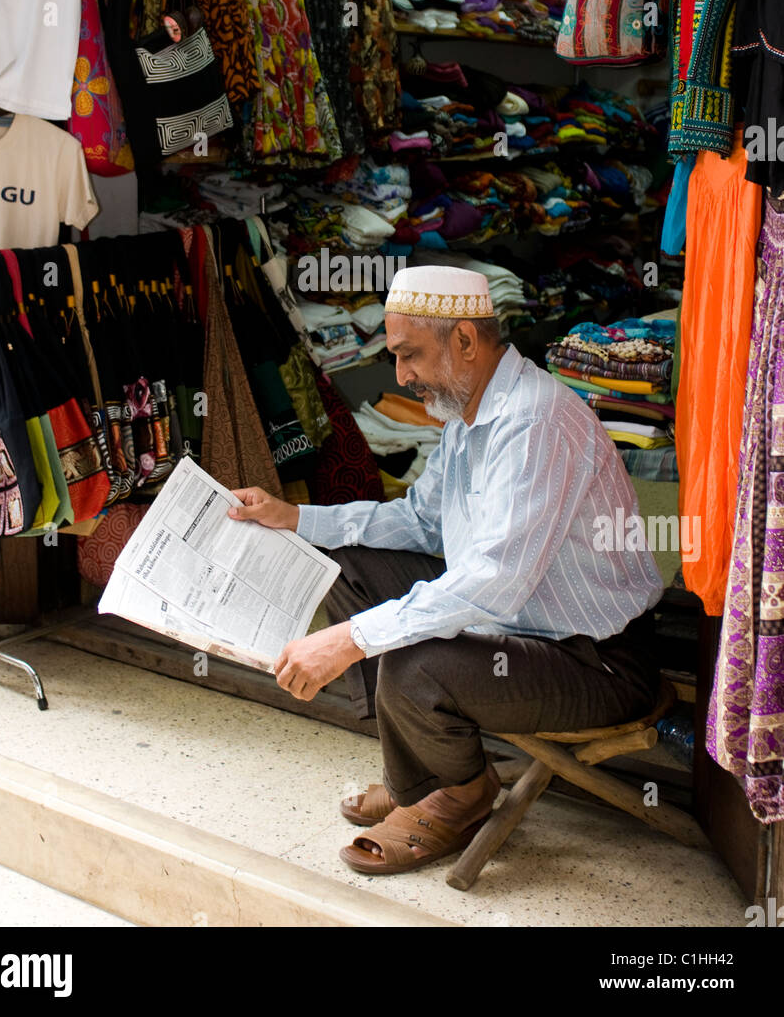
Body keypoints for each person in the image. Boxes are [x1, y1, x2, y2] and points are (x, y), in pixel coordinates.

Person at [228, 264, 664, 876]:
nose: (400, 376)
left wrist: (349, 639)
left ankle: (456, 791)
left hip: (596, 659)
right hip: (521, 632)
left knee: (412, 660)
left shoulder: (536, 420)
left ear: (464, 339)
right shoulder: (468, 409)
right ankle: (422, 774)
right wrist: (297, 517)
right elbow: (421, 522)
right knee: (349, 568)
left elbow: (494, 581)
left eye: (410, 356)